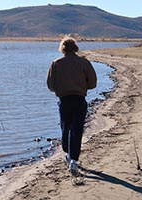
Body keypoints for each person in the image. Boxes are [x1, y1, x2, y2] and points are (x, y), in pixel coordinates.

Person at [47, 36, 97, 176]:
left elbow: (50, 85)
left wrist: (61, 87)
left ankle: (68, 155)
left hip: (64, 100)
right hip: (80, 99)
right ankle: (73, 159)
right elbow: (93, 83)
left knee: (65, 128)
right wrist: (82, 86)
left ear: (62, 48)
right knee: (77, 130)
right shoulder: (84, 63)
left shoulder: (56, 63)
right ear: (75, 48)